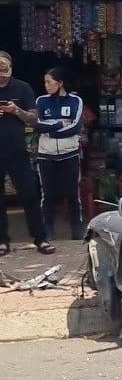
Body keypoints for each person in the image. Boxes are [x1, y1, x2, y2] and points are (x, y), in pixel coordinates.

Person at [0, 55, 54, 255]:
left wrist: (16, 111)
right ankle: (2, 241)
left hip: (17, 150)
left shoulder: (22, 88)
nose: (2, 79)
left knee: (30, 194)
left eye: (4, 75)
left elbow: (33, 119)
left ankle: (40, 238)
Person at [35, 67, 84, 240]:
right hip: (45, 154)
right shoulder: (41, 101)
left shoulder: (75, 101)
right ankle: (47, 229)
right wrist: (59, 125)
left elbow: (76, 127)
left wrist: (52, 130)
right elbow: (37, 124)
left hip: (69, 153)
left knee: (72, 193)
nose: (46, 85)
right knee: (47, 195)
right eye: (45, 82)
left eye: (49, 82)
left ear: (60, 82)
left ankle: (76, 228)